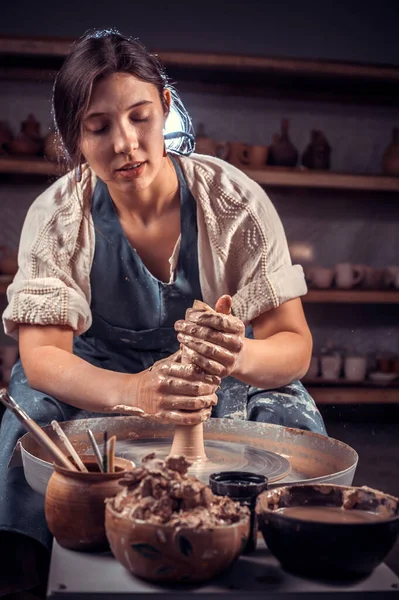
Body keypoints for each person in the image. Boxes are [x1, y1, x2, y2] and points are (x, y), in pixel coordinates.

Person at [0, 28, 326, 598]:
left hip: (215, 372)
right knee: (26, 415)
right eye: (98, 127)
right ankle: (20, 569)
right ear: (74, 137)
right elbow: (44, 358)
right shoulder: (58, 216)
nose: (125, 143)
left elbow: (294, 344)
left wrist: (239, 352)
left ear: (166, 109)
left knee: (287, 412)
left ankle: (295, 555)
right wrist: (139, 391)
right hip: (100, 374)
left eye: (140, 117)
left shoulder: (234, 200)